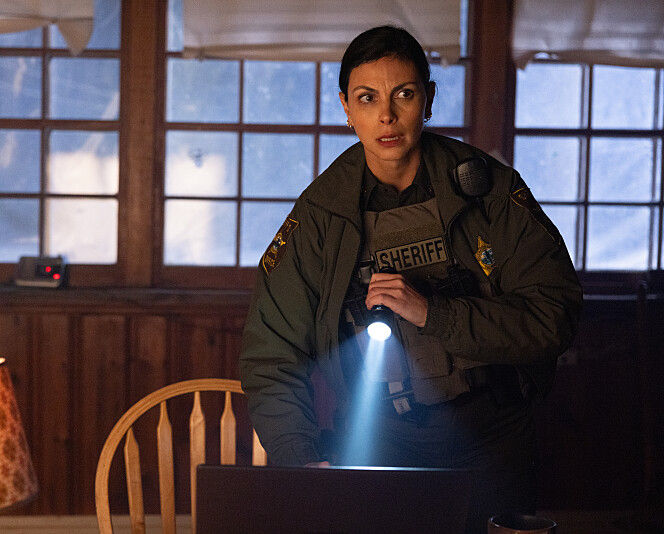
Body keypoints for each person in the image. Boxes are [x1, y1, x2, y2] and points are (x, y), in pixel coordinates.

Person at [239, 25, 582, 534]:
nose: (386, 115)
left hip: (494, 432)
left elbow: (555, 316)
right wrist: (298, 456)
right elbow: (271, 356)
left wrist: (432, 312)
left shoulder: (489, 190)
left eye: (403, 94)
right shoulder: (320, 215)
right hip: (378, 436)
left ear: (428, 98)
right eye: (367, 98)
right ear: (345, 107)